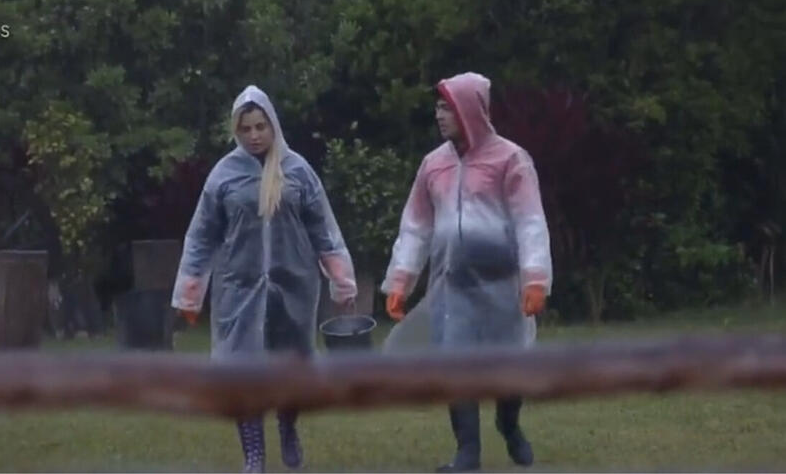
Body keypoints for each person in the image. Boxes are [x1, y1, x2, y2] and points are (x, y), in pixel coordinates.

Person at [171, 85, 358, 473]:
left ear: (273, 125)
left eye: (260, 127)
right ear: (236, 132)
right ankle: (253, 455)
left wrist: (342, 280)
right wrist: (190, 294)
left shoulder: (298, 171)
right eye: (246, 129)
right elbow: (201, 237)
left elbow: (324, 229)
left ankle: (288, 427)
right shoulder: (223, 176)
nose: (254, 136)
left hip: (293, 289)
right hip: (239, 291)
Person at [381, 72, 552, 472]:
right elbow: (416, 226)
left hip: (501, 288)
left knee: (508, 370)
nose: (440, 115)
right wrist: (400, 280)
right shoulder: (433, 165)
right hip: (451, 290)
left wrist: (536, 279)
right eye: (438, 107)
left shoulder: (511, 159)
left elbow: (530, 222)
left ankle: (509, 425)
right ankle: (467, 453)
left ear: (471, 110)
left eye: (448, 107)